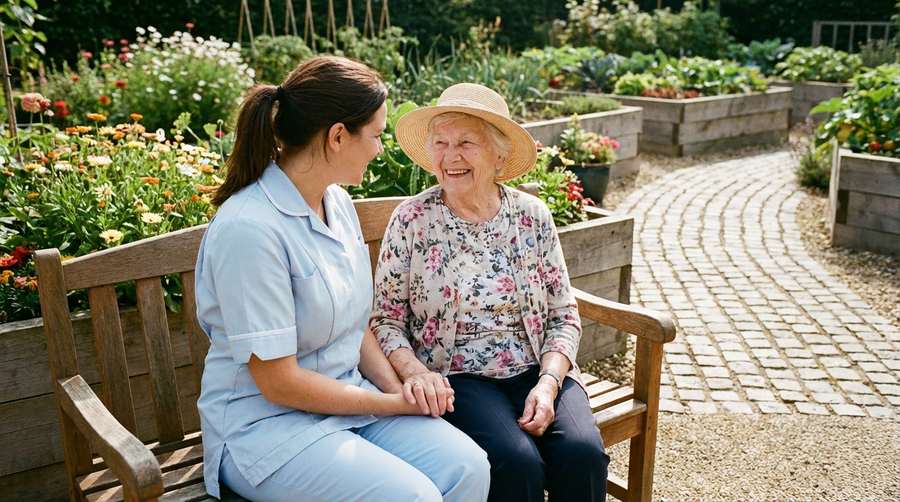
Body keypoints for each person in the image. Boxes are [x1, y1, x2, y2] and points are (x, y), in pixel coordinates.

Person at [194, 57, 490, 502]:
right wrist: (390, 404)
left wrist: (401, 390)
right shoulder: (249, 229)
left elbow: (357, 325)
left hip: (348, 403)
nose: (379, 148)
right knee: (413, 499)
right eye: (375, 135)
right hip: (265, 431)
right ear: (337, 137)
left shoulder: (336, 203)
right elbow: (278, 383)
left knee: (469, 467)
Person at [369, 83, 610, 502]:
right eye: (441, 143)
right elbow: (385, 318)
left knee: (583, 454)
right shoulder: (411, 219)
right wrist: (415, 373)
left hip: (538, 365)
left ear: (499, 156)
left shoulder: (533, 216)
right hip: (459, 377)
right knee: (516, 463)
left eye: (466, 142)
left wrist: (549, 384)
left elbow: (563, 313)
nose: (451, 155)